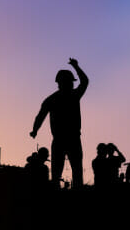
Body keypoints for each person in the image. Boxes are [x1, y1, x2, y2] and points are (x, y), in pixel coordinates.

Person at [30, 57, 90, 188]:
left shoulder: (54, 99)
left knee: (62, 173)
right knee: (71, 172)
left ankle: (59, 193)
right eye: (70, 82)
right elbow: (85, 82)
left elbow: (40, 117)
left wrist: (35, 130)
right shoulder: (71, 96)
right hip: (68, 139)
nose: (72, 84)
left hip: (64, 140)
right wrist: (76, 66)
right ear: (64, 82)